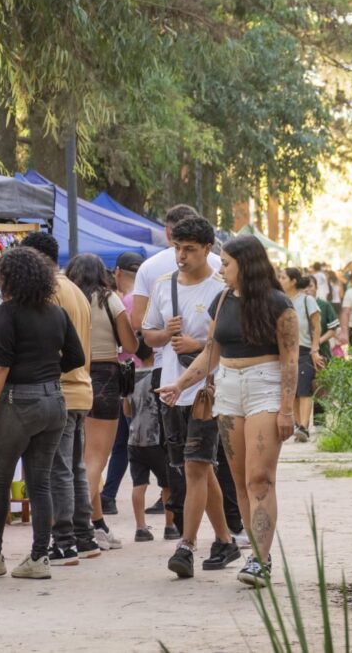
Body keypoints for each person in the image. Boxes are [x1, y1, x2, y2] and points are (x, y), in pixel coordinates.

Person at [158, 235, 298, 588]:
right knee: (238, 481)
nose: (221, 269)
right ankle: (256, 553)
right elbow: (211, 352)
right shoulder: (222, 300)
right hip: (229, 386)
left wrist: (286, 409)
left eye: (227, 263)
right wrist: (181, 384)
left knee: (259, 479)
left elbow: (291, 360)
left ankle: (261, 559)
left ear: (246, 266)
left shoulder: (280, 304)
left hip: (265, 384)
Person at [0, 247, 85, 579]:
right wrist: (46, 369)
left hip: (19, 401)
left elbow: (1, 366)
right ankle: (39, 558)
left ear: (9, 279)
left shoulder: (7, 313)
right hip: (55, 401)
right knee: (39, 483)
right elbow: (76, 356)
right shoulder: (56, 313)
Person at [143, 216, 238, 578]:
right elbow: (147, 335)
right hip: (171, 388)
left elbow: (224, 343)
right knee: (195, 469)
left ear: (207, 250)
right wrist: (164, 334)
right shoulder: (165, 285)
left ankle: (186, 546)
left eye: (189, 250)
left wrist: (198, 344)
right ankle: (225, 540)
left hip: (208, 391)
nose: (181, 256)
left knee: (197, 466)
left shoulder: (221, 288)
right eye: (177, 248)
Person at [21, 231, 102, 563]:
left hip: (62, 390)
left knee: (59, 468)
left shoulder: (50, 292)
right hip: (81, 388)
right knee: (75, 466)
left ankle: (65, 539)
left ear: (36, 258)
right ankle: (84, 536)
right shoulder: (75, 290)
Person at [65, 253, 139, 550]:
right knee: (95, 458)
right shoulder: (110, 300)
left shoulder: (67, 299)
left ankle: (96, 523)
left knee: (80, 457)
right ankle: (80, 525)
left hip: (71, 377)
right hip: (105, 377)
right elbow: (131, 344)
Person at [100, 251, 148, 516]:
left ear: (117, 272)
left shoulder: (120, 302)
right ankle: (108, 494)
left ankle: (109, 494)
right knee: (130, 438)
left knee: (127, 439)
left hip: (124, 375)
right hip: (142, 373)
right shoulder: (141, 300)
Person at [123, 368, 173, 542]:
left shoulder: (130, 374)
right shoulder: (160, 374)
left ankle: (141, 528)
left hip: (134, 439)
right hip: (155, 438)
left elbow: (127, 411)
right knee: (168, 485)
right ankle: (169, 526)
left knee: (139, 484)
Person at [280, 267, 320, 443]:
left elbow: (316, 326)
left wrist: (315, 349)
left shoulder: (307, 300)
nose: (279, 280)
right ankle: (298, 425)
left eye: (283, 277)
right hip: (285, 350)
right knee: (293, 390)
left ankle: (304, 426)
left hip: (304, 349)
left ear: (293, 281)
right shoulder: (280, 301)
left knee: (304, 389)